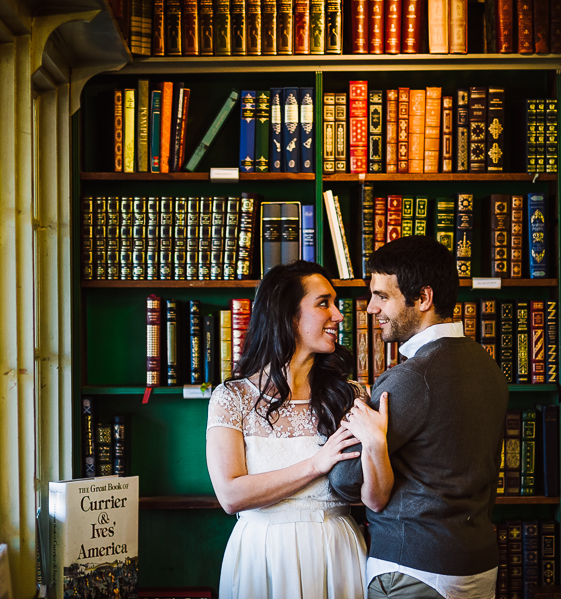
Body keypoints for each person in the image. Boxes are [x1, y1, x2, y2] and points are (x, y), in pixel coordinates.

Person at [330, 235, 509, 598]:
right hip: (477, 564)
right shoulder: (488, 366)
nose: (370, 309)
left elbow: (345, 478)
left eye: (382, 296)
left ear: (423, 298)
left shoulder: (411, 378)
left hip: (413, 570)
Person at [206, 260, 386, 598]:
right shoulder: (232, 398)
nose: (339, 315)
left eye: (335, 303)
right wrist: (317, 463)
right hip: (264, 555)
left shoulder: (352, 395)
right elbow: (230, 496)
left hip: (337, 550)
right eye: (323, 303)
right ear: (287, 315)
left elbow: (374, 493)